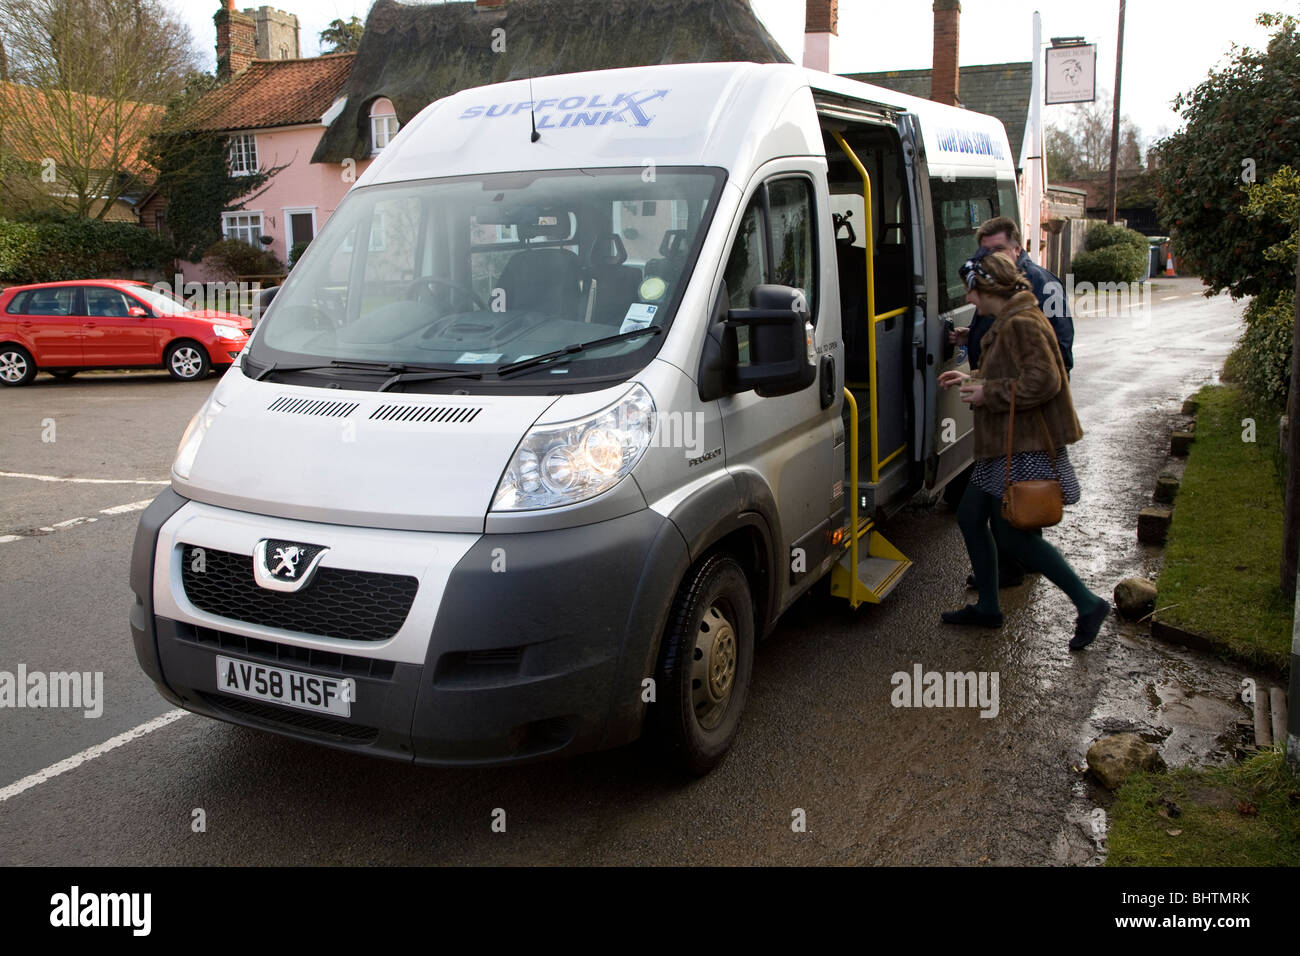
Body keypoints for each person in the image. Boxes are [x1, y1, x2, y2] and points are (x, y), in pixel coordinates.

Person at [937, 248, 1109, 651]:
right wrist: (969, 376)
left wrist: (988, 392)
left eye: (972, 291)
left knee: (1014, 536)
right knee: (969, 515)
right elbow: (1009, 371)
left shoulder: (1022, 323)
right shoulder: (1007, 319)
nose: (968, 299)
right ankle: (989, 607)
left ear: (989, 288)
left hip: (1024, 444)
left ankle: (1088, 603)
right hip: (1005, 444)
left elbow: (1045, 380)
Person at [947, 216, 1075, 589]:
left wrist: (996, 391)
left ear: (1017, 249)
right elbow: (1001, 345)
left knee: (1017, 514)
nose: (990, 257)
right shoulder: (996, 288)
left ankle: (1066, 591)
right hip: (1003, 423)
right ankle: (1001, 583)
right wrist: (974, 362)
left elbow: (1055, 359)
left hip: (1023, 426)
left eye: (998, 250)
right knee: (986, 514)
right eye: (985, 251)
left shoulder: (1037, 288)